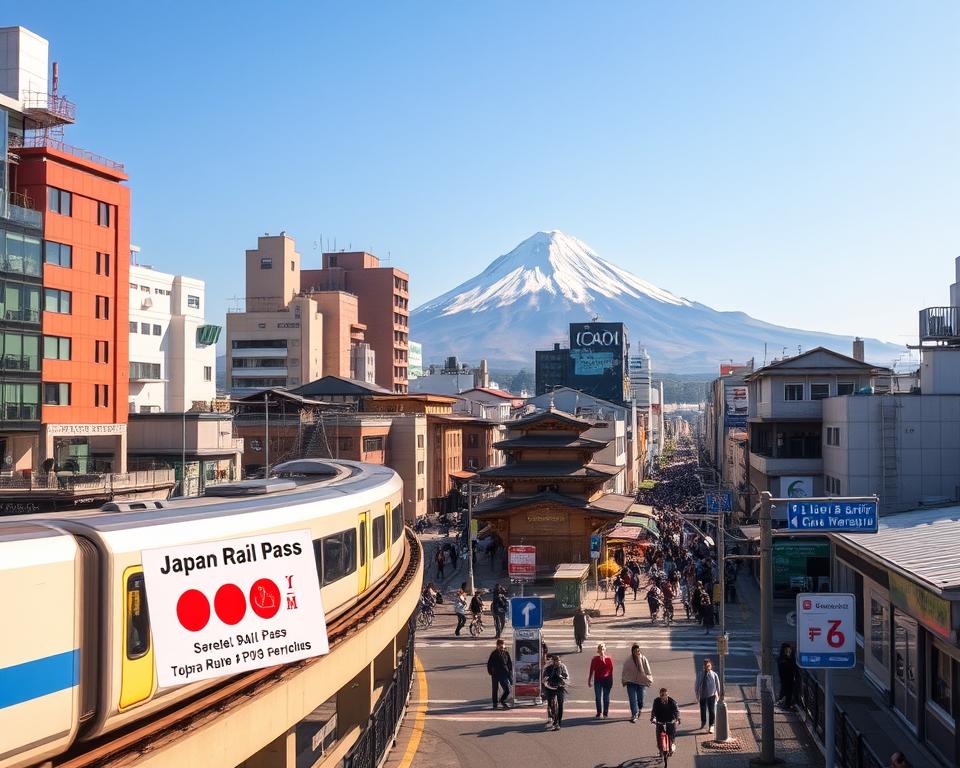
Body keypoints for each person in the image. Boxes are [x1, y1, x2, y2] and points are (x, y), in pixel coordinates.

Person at [621, 643, 654, 722]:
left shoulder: (643, 659)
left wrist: (649, 678)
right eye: (635, 650)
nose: (637, 652)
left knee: (640, 700)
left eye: (638, 650)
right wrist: (624, 680)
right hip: (631, 682)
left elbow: (648, 670)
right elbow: (624, 671)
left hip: (641, 682)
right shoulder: (628, 660)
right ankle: (634, 714)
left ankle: (639, 709)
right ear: (632, 651)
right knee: (632, 699)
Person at [650, 687, 681, 756]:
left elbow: (677, 711)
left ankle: (671, 748)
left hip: (670, 721)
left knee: (671, 738)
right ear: (660, 696)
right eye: (662, 695)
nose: (664, 697)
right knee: (658, 737)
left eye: (665, 695)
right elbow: (654, 711)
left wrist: (678, 719)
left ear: (667, 695)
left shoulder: (672, 702)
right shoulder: (656, 701)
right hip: (660, 721)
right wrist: (652, 718)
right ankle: (660, 750)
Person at [542, 653, 570, 731]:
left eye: (559, 661)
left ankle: (558, 722)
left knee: (560, 704)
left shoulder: (562, 667)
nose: (558, 662)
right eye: (556, 661)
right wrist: (545, 680)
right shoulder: (548, 668)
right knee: (551, 704)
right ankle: (554, 720)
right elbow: (544, 678)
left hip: (560, 687)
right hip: (550, 687)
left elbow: (567, 677)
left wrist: (563, 678)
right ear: (553, 661)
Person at [588, 643, 614, 718]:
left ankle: (605, 712)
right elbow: (591, 670)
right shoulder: (595, 659)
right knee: (598, 697)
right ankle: (599, 712)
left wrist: (609, 679)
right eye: (600, 648)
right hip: (598, 680)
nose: (601, 649)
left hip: (607, 680)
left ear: (605, 649)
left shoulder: (608, 659)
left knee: (606, 696)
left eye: (603, 648)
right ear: (598, 650)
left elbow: (610, 670)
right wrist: (590, 680)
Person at [695, 658, 721, 733]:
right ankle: (703, 721)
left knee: (711, 710)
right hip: (703, 695)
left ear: (711, 666)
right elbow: (697, 684)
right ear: (703, 666)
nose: (707, 667)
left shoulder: (714, 675)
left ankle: (711, 725)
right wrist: (697, 694)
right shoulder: (700, 674)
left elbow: (717, 684)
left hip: (711, 695)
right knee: (703, 710)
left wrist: (718, 694)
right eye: (706, 666)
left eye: (708, 665)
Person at [486, 638, 513, 709]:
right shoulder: (494, 653)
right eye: (500, 644)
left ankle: (502, 700)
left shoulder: (506, 653)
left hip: (504, 674)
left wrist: (509, 671)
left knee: (507, 689)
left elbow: (509, 663)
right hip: (495, 674)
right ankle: (495, 703)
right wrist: (490, 672)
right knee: (495, 689)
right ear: (497, 645)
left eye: (502, 644)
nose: (502, 646)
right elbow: (489, 664)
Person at [777, 643, 798, 708]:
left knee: (788, 690)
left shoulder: (788, 658)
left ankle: (786, 702)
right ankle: (785, 703)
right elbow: (788, 667)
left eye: (789, 651)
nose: (788, 652)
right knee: (786, 689)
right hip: (786, 678)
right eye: (787, 651)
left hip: (789, 678)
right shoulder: (782, 660)